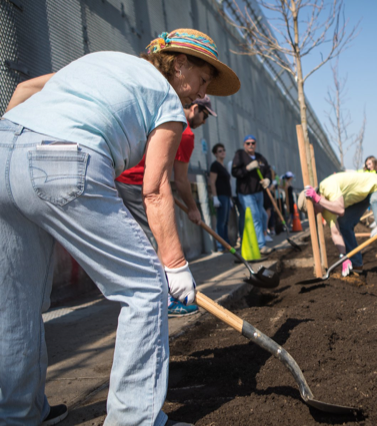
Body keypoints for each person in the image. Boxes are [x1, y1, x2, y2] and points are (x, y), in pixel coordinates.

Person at [0, 28, 240, 425]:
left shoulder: (100, 62)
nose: (199, 94)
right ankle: (134, 420)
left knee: (15, 300)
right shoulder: (165, 99)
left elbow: (25, 88)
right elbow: (156, 188)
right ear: (180, 64)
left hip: (5, 148)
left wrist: (16, 148)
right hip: (63, 159)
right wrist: (175, 267)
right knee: (146, 287)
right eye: (201, 81)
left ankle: (16, 414)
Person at [116, 95, 215, 317]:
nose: (204, 121)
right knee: (162, 237)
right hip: (137, 183)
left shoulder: (162, 114)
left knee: (148, 239)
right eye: (205, 115)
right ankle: (166, 299)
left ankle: (157, 295)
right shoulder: (185, 132)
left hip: (123, 176)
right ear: (196, 108)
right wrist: (192, 208)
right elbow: (180, 179)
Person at [299, 171, 377, 276]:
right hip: (362, 196)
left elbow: (340, 209)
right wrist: (343, 256)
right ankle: (356, 264)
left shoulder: (327, 186)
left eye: (313, 211)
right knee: (344, 224)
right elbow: (335, 233)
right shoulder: (325, 209)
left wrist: (319, 199)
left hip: (375, 186)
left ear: (315, 201)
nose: (315, 215)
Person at [231, 134, 272, 254]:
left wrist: (267, 180)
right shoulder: (240, 155)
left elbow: (268, 171)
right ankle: (261, 245)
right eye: (248, 143)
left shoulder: (260, 158)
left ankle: (248, 241)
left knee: (261, 216)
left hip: (259, 193)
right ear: (244, 145)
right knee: (255, 218)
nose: (250, 145)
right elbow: (235, 172)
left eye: (253, 143)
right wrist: (247, 168)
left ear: (255, 144)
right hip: (246, 193)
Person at [209, 142, 232, 249]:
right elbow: (212, 182)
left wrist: (230, 198)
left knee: (226, 221)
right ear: (215, 154)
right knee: (221, 221)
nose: (223, 152)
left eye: (223, 150)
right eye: (220, 151)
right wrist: (215, 197)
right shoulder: (215, 165)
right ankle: (220, 244)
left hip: (226, 196)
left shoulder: (223, 166)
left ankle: (226, 243)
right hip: (220, 196)